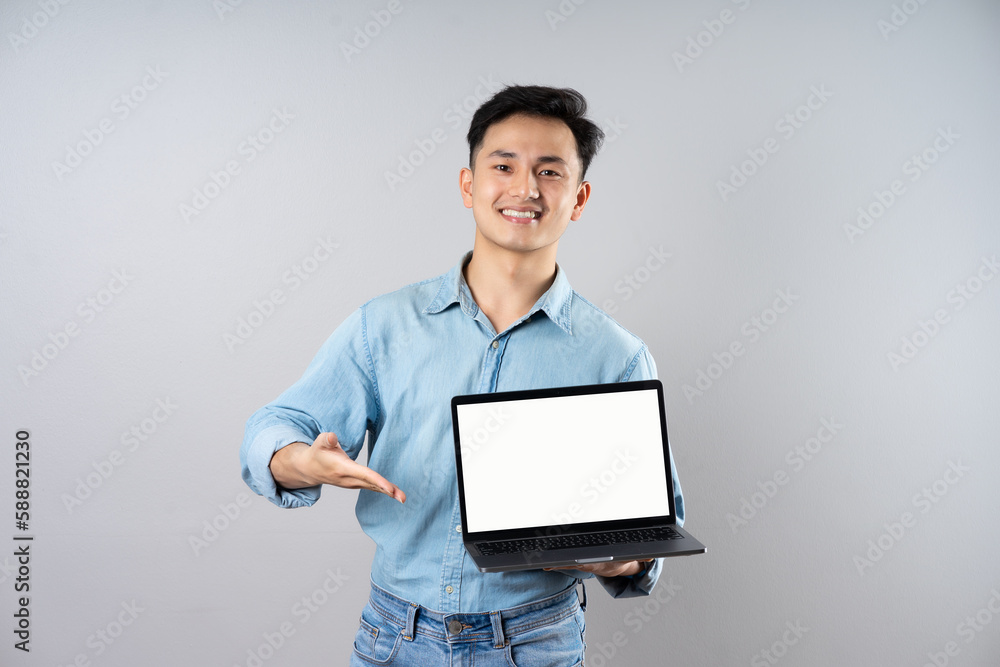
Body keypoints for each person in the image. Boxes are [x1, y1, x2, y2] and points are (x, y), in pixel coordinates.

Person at [240, 84, 685, 666]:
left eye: (550, 172)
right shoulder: (385, 325)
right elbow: (276, 426)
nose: (525, 188)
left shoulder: (616, 355)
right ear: (469, 184)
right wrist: (300, 461)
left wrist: (623, 558)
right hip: (397, 636)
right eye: (504, 166)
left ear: (578, 198)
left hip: (536, 640)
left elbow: (654, 526)